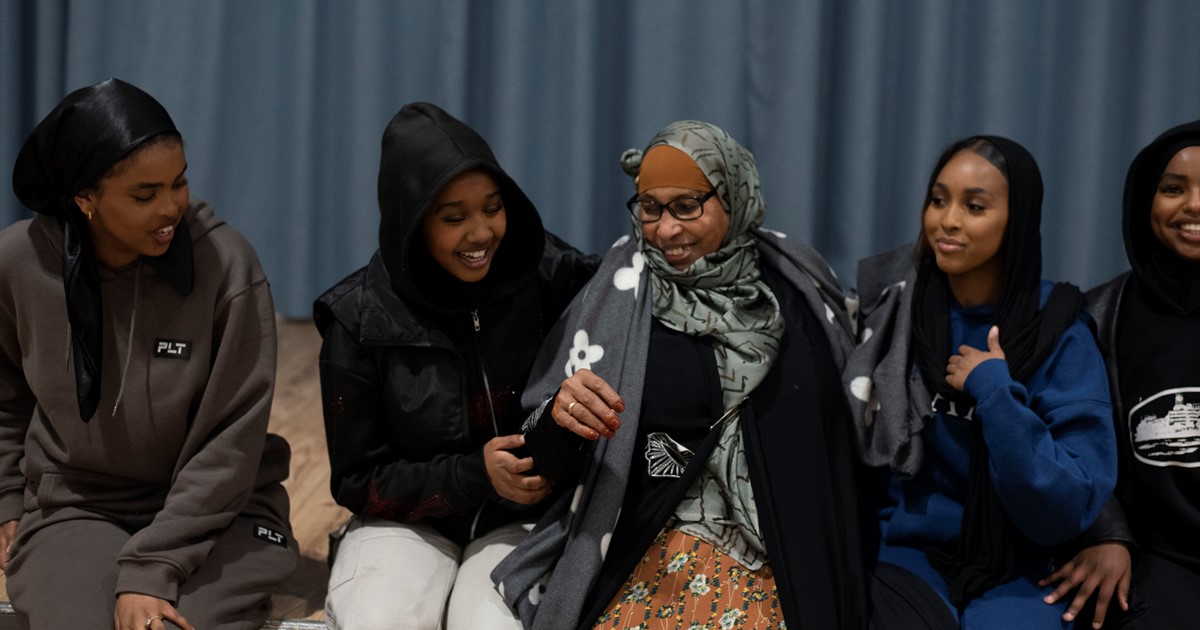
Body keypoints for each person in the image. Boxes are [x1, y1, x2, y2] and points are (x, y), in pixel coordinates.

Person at [492, 120, 870, 630]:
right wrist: (561, 417)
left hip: (783, 552)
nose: (665, 230)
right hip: (648, 543)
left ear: (733, 197)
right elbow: (541, 457)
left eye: (687, 206)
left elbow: (834, 444)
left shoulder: (794, 289)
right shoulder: (619, 293)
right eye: (650, 208)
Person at [1, 79, 296, 630]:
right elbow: (3, 393)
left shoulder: (226, 264)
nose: (171, 208)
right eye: (144, 194)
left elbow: (230, 443)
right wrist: (5, 495)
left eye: (179, 183)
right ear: (85, 198)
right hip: (79, 505)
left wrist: (153, 565)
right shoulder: (19, 262)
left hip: (223, 512)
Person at [314, 102, 598, 629]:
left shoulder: (548, 274)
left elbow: (630, 290)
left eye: (493, 207)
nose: (482, 233)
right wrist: (474, 475)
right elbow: (356, 479)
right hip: (406, 521)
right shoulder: (356, 320)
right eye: (453, 218)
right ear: (411, 222)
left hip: (523, 519)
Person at [843, 136, 1117, 628]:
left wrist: (995, 391)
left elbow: (1064, 506)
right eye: (938, 199)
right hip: (908, 553)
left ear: (1018, 221)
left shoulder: (1058, 327)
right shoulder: (895, 313)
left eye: (975, 206)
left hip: (1027, 564)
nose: (947, 221)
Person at [1040, 120, 1200, 629]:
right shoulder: (1099, 315)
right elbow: (1075, 442)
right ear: (1142, 203)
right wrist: (1109, 534)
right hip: (1157, 555)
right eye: (1173, 189)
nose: (1193, 205)